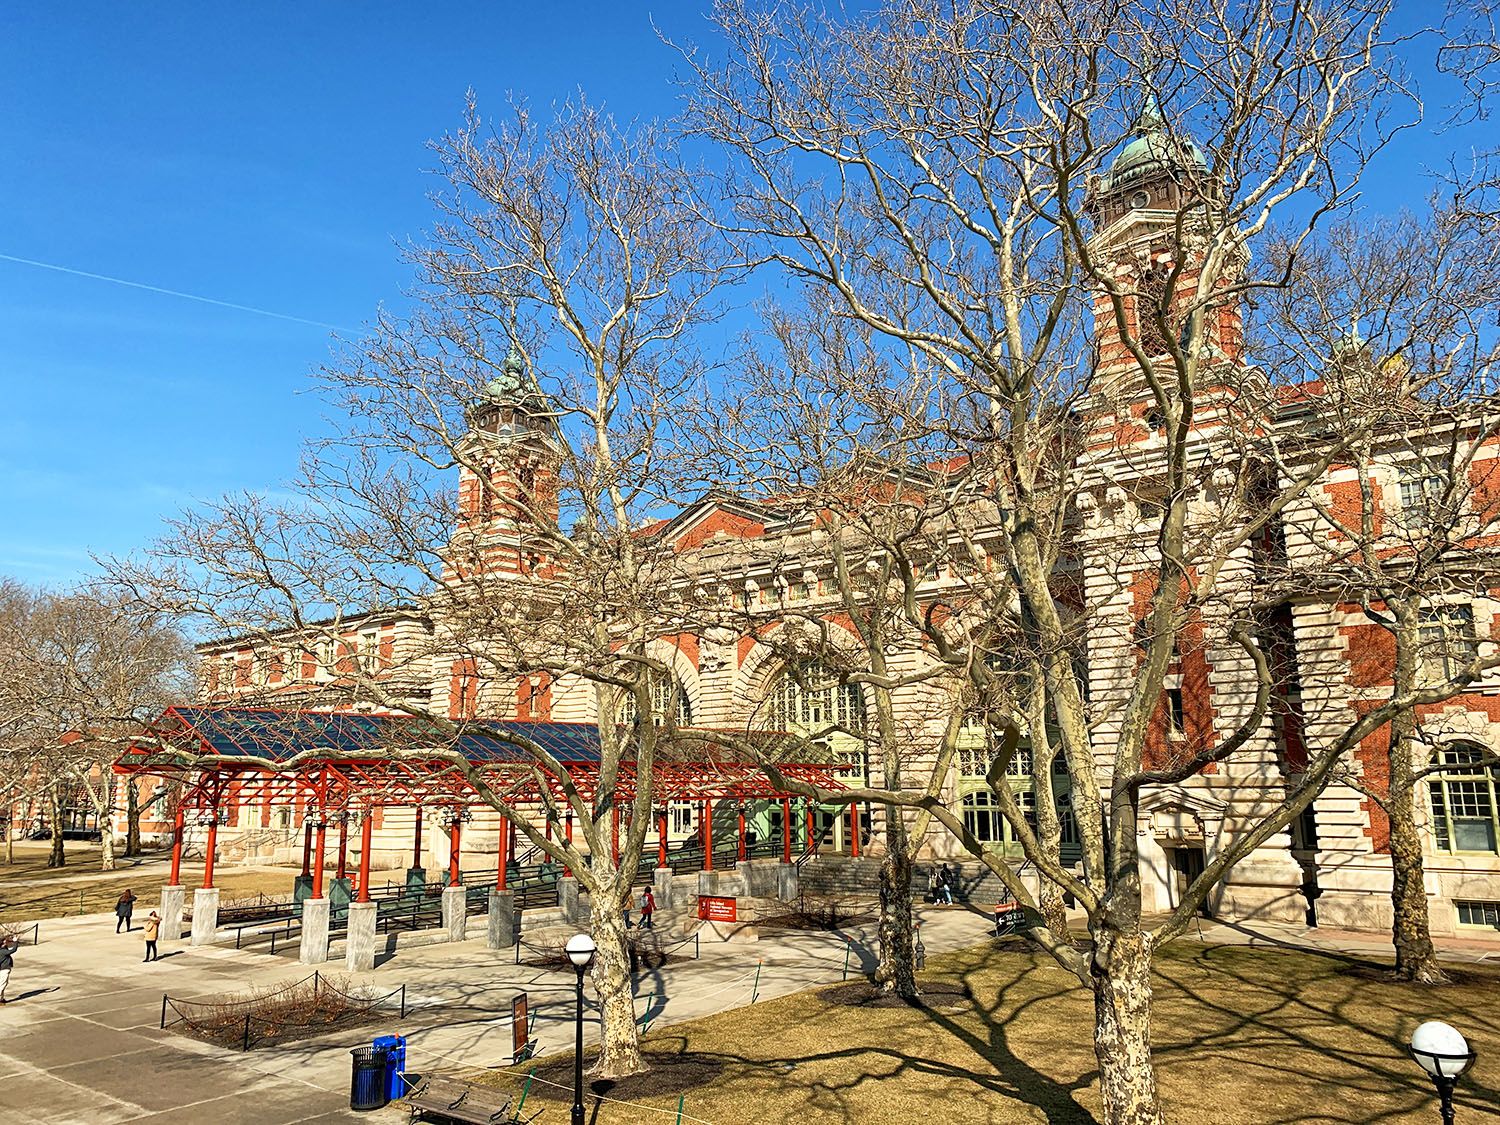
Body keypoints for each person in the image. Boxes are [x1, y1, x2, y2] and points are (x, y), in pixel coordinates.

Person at [0, 937, 15, 1003]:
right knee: (3, 984)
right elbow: (13, 950)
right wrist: (16, 942)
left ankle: (1, 998)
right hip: (4, 969)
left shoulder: (2, 950)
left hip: (2, 969)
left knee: (2, 983)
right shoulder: (3, 951)